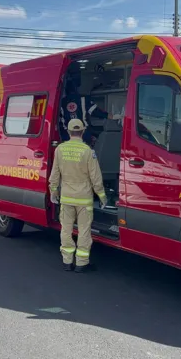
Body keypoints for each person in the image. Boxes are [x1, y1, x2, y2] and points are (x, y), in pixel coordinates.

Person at [48, 119, 107, 273]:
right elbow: (96, 177)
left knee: (66, 230)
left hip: (66, 197)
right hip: (84, 198)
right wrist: (102, 197)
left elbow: (54, 174)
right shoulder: (88, 151)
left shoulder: (60, 149)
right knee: (84, 230)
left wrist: (53, 191)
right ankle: (81, 263)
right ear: (83, 131)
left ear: (68, 132)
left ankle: (67, 262)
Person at [58, 74, 112, 146]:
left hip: (66, 136)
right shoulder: (83, 99)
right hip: (83, 135)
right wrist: (109, 115)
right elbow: (95, 112)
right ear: (76, 88)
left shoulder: (61, 102)